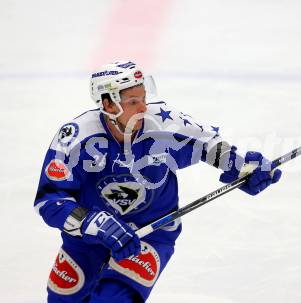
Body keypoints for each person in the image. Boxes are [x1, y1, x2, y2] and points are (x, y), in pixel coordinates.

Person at [34, 60, 282, 303]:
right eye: (133, 101)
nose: (143, 107)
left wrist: (244, 168)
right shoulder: (75, 138)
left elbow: (210, 146)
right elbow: (49, 200)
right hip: (88, 239)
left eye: (143, 97)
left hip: (151, 233)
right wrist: (89, 222)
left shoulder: (164, 124)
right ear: (108, 105)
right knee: (62, 299)